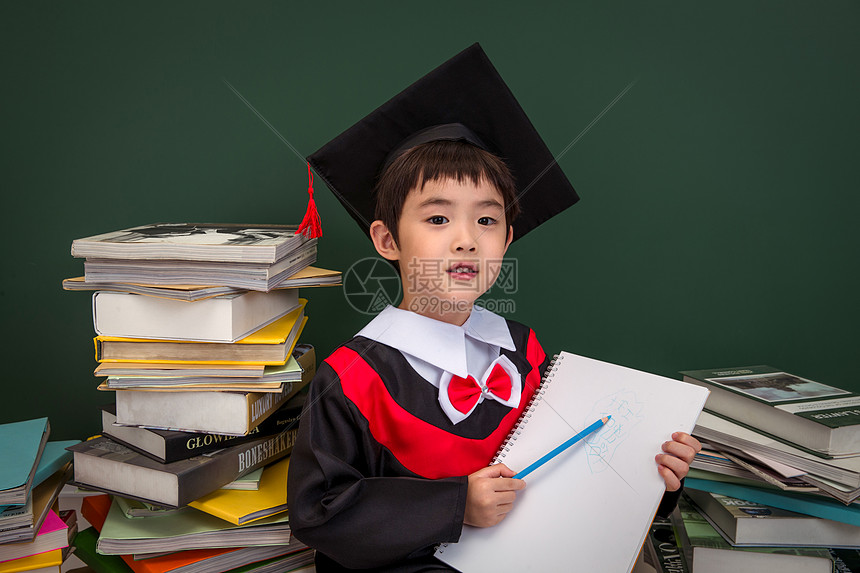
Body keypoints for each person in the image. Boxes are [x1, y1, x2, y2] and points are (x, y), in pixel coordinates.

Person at [287, 44, 701, 572]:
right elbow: (318, 514)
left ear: (507, 237)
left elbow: (571, 474)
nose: (466, 240)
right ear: (387, 239)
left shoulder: (525, 353)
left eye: (486, 221)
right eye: (437, 220)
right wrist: (456, 506)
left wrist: (652, 478)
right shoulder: (351, 379)